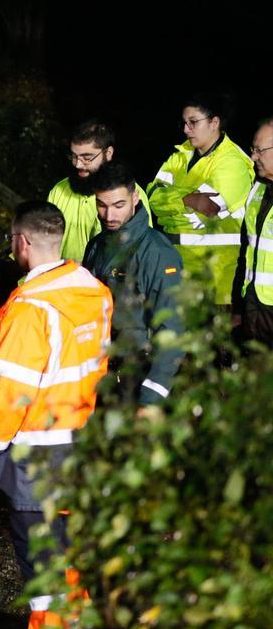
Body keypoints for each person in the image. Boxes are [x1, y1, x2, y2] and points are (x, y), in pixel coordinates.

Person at [0, 202, 113, 629]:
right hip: (84, 441)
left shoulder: (30, 309)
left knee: (43, 566)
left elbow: (9, 391)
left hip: (38, 451)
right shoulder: (95, 291)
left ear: (22, 242)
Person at [83, 162, 185, 405]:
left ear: (135, 198)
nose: (109, 215)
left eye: (119, 205)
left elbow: (173, 330)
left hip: (139, 374)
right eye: (102, 205)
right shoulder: (96, 246)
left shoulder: (158, 253)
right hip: (99, 372)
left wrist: (153, 394)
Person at [147, 94, 254, 306]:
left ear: (214, 122)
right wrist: (188, 198)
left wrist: (172, 202)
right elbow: (151, 198)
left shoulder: (233, 163)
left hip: (214, 281)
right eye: (184, 123)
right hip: (174, 273)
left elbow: (206, 211)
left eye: (193, 122)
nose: (186, 129)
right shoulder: (180, 154)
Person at [47, 120, 152, 262]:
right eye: (74, 156)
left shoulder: (129, 194)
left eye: (87, 158)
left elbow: (142, 251)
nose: (78, 164)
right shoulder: (58, 191)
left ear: (108, 153)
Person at [234, 118, 273, 346]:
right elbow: (246, 250)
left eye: (260, 151)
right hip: (253, 307)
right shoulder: (256, 190)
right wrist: (239, 307)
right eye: (253, 150)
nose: (253, 157)